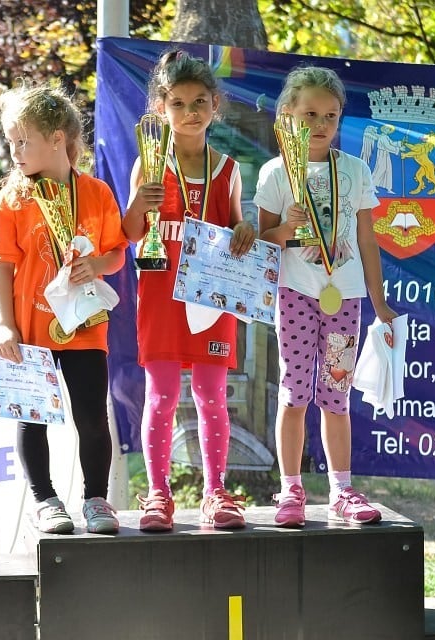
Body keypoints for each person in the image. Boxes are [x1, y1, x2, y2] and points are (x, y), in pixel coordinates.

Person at [255, 65, 397, 527]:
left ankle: (342, 489)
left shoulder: (353, 171)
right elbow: (263, 241)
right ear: (287, 116)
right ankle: (291, 490)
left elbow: (369, 240)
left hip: (345, 296)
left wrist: (379, 301)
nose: (319, 125)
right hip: (295, 293)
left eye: (330, 116)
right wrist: (289, 228)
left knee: (335, 393)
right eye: (309, 114)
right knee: (295, 391)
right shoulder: (276, 172)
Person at [123, 49, 256, 532]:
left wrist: (245, 232)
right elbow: (131, 233)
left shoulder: (228, 169)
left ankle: (215, 492)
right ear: (162, 108)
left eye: (200, 101)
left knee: (210, 396)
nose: (190, 112)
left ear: (215, 106)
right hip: (160, 293)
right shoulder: (149, 165)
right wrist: (140, 201)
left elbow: (239, 226)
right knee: (159, 395)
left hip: (210, 297)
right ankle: (158, 495)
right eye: (178, 103)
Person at [0, 83, 128, 535]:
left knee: (90, 415)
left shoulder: (98, 193)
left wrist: (96, 264)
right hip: (30, 329)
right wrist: (6, 326)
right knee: (32, 417)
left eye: (23, 140)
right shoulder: (12, 199)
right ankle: (45, 499)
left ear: (57, 139)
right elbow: (2, 267)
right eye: (11, 141)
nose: (15, 151)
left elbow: (116, 254)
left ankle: (96, 499)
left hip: (85, 325)